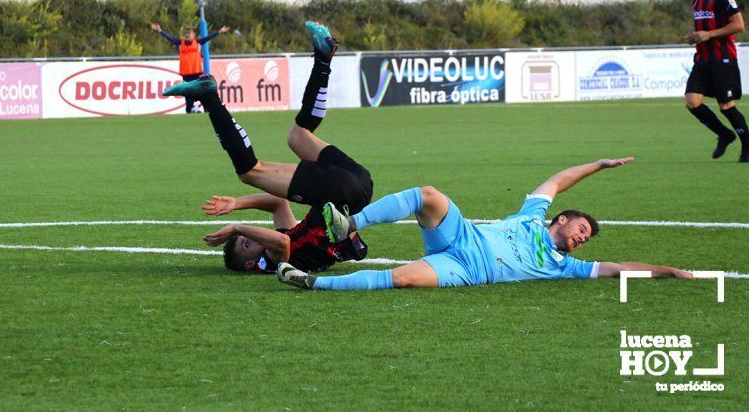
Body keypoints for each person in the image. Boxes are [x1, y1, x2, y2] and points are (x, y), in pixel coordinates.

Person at [276, 158, 694, 290]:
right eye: (581, 230)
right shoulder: (533, 214)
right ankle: (352, 224)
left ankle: (312, 283)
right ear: (562, 219)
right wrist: (600, 165)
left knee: (402, 279)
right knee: (429, 194)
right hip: (463, 235)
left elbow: (618, 269)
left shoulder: (566, 266)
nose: (582, 241)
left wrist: (667, 270)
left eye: (584, 240)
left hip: (468, 270)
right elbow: (558, 181)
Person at [164, 22, 373, 274]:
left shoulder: (286, 239)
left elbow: (277, 204)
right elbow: (281, 241)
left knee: (298, 136)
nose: (253, 240)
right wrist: (237, 228)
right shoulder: (275, 261)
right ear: (252, 263)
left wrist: (237, 203)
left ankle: (323, 58)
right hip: (341, 194)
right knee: (249, 172)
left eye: (246, 240)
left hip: (357, 186)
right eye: (247, 245)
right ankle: (210, 98)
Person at [684, 0, 747, 162]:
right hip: (702, 59)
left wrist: (708, 34)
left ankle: (747, 146)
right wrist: (696, 37)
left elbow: (738, 25)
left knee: (726, 106)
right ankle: (724, 134)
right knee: (692, 102)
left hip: (723, 59)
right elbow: (704, 29)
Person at [151, 23, 230, 113]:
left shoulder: (198, 43)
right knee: (188, 95)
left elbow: (208, 38)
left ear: (193, 35)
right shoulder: (181, 43)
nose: (187, 35)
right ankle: (189, 112)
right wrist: (160, 30)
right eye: (186, 33)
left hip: (197, 74)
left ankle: (206, 111)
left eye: (189, 33)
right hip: (186, 74)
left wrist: (219, 31)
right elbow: (170, 38)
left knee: (202, 94)